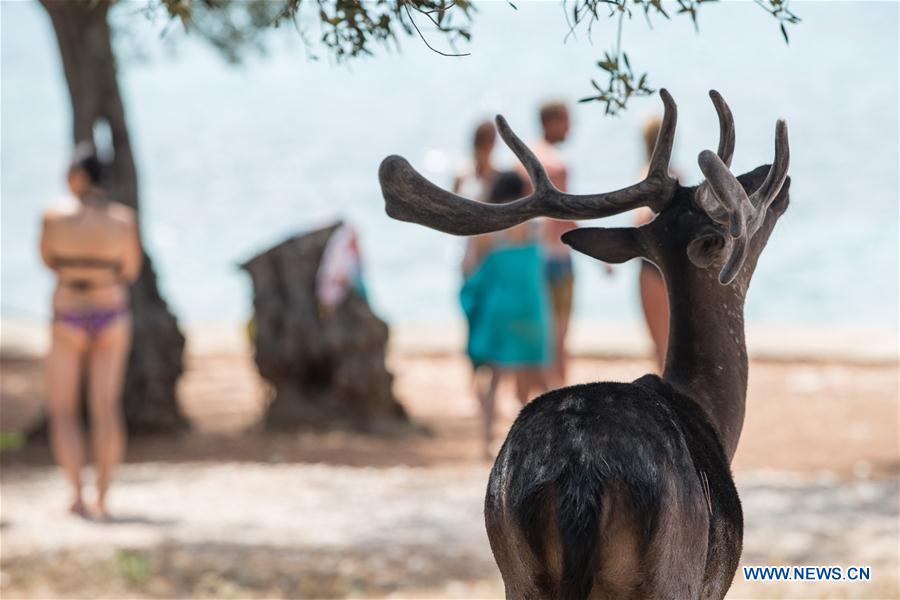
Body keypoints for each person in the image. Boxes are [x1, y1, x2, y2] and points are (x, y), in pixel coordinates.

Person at [39, 143, 142, 518]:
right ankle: (104, 497)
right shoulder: (123, 220)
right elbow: (129, 270)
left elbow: (47, 260)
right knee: (105, 407)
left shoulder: (53, 217)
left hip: (67, 315)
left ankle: (76, 496)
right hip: (111, 313)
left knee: (64, 410)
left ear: (77, 177)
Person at [460, 172, 552, 459]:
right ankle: (543, 439)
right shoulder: (534, 226)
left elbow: (468, 268)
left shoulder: (487, 231)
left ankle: (487, 442)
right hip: (531, 308)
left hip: (498, 310)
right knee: (536, 379)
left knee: (495, 378)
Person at [520, 102, 577, 387]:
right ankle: (559, 394)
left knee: (532, 336)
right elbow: (565, 217)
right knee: (558, 339)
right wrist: (601, 251)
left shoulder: (522, 161)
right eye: (566, 121)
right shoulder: (556, 164)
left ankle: (528, 396)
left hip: (529, 256)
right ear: (552, 122)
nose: (570, 128)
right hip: (557, 258)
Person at [634, 116, 671, 372]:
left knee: (661, 342)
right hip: (668, 265)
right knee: (667, 340)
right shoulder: (675, 174)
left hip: (653, 267)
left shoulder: (645, 174)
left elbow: (640, 221)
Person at [454, 120, 498, 274]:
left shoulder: (498, 176)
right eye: (485, 140)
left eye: (490, 140)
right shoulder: (462, 175)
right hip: (470, 245)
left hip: (493, 247)